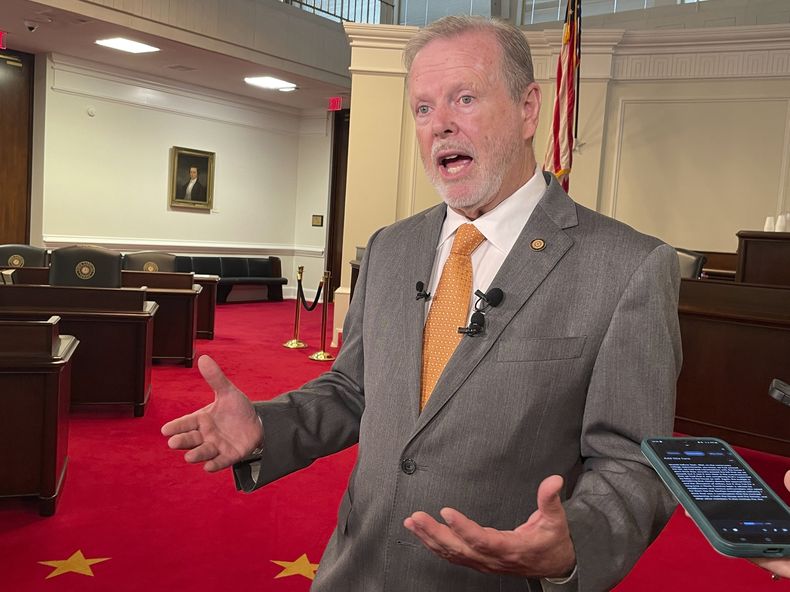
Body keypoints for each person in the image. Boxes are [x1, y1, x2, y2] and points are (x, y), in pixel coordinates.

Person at [162, 16, 682, 592]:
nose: (441, 126)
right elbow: (353, 389)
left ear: (529, 108)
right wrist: (267, 425)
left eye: (465, 98)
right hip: (354, 571)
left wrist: (570, 545)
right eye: (424, 108)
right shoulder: (390, 247)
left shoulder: (628, 267)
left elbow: (635, 464)